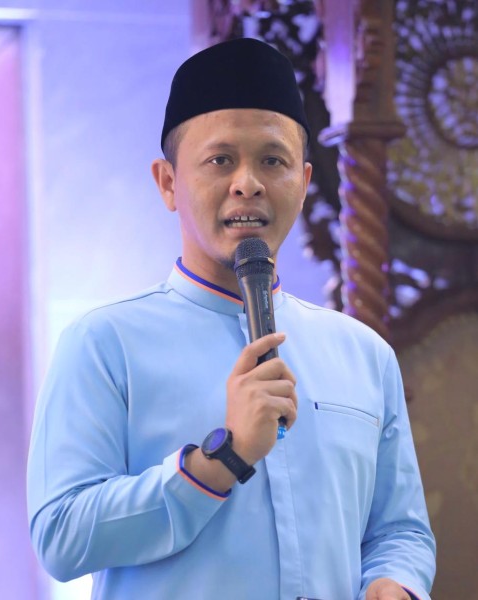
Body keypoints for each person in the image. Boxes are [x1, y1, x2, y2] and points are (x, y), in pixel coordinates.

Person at [27, 38, 436, 600]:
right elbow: (61, 535)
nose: (248, 183)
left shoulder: (364, 354)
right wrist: (224, 457)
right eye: (220, 160)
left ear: (304, 182)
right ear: (168, 183)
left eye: (273, 160)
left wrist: (396, 583)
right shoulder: (103, 344)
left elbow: (400, 531)